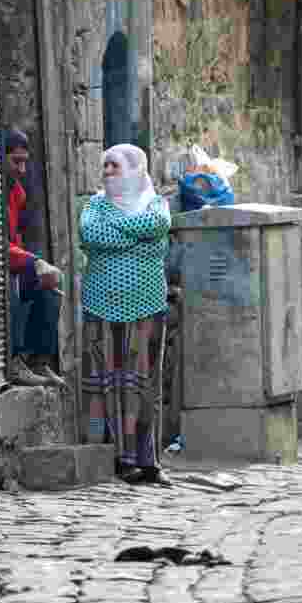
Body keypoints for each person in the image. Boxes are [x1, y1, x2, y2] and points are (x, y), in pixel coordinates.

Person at [80, 143, 172, 486]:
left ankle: (147, 460)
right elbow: (90, 233)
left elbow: (158, 226)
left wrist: (116, 236)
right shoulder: (94, 206)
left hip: (147, 307)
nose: (107, 173)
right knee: (108, 384)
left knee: (143, 385)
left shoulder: (156, 204)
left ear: (135, 170)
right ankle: (114, 459)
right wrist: (135, 238)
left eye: (114, 167)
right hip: (101, 307)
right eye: (104, 167)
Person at [3, 128, 66, 389]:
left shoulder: (17, 193)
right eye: (16, 161)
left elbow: (14, 242)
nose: (22, 169)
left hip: (12, 259)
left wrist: (34, 265)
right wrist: (33, 262)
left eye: (25, 161)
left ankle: (38, 360)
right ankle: (14, 361)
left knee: (50, 289)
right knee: (14, 285)